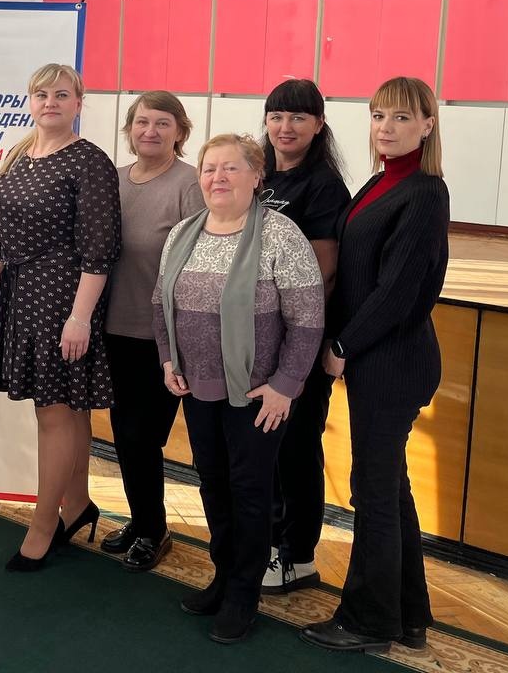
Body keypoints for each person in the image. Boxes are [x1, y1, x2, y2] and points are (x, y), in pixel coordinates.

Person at [154, 133, 323, 644]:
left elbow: (308, 319)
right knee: (213, 484)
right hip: (197, 388)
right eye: (210, 168)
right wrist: (168, 359)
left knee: (250, 492)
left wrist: (285, 386)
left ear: (256, 176)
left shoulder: (280, 235)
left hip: (257, 396)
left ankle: (245, 594)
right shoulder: (182, 232)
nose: (218, 178)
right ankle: (224, 576)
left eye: (231, 168)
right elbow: (161, 302)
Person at [301, 77, 449, 655]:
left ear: (428, 126)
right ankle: (408, 615)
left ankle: (369, 621)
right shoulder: (382, 180)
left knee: (373, 492)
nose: (386, 127)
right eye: (379, 115)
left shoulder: (425, 192)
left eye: (402, 118)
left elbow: (398, 291)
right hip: (377, 358)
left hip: (393, 362)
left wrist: (342, 346)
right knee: (388, 487)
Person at [0, 63, 120, 572]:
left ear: (79, 103)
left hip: (63, 296)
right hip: (19, 293)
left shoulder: (90, 162)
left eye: (62, 94)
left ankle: (44, 525)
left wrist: (80, 318)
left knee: (54, 412)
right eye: (42, 94)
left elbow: (100, 250)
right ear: (30, 101)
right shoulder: (20, 154)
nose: (51, 102)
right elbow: (0, 234)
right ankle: (77, 505)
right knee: (69, 409)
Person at [99, 91, 204, 572]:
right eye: (142, 122)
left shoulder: (189, 184)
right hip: (112, 328)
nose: (151, 131)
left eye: (163, 123)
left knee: (143, 435)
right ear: (129, 129)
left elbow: (199, 261)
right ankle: (142, 521)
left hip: (161, 337)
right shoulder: (114, 180)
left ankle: (153, 528)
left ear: (180, 132)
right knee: (124, 434)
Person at [256, 79, 351, 594]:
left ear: (318, 125)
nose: (285, 127)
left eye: (297, 117)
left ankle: (298, 557)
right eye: (276, 116)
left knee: (296, 449)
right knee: (266, 448)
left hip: (300, 341)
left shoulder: (323, 187)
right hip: (258, 339)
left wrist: (296, 344)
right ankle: (269, 546)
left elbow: (322, 274)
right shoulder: (259, 175)